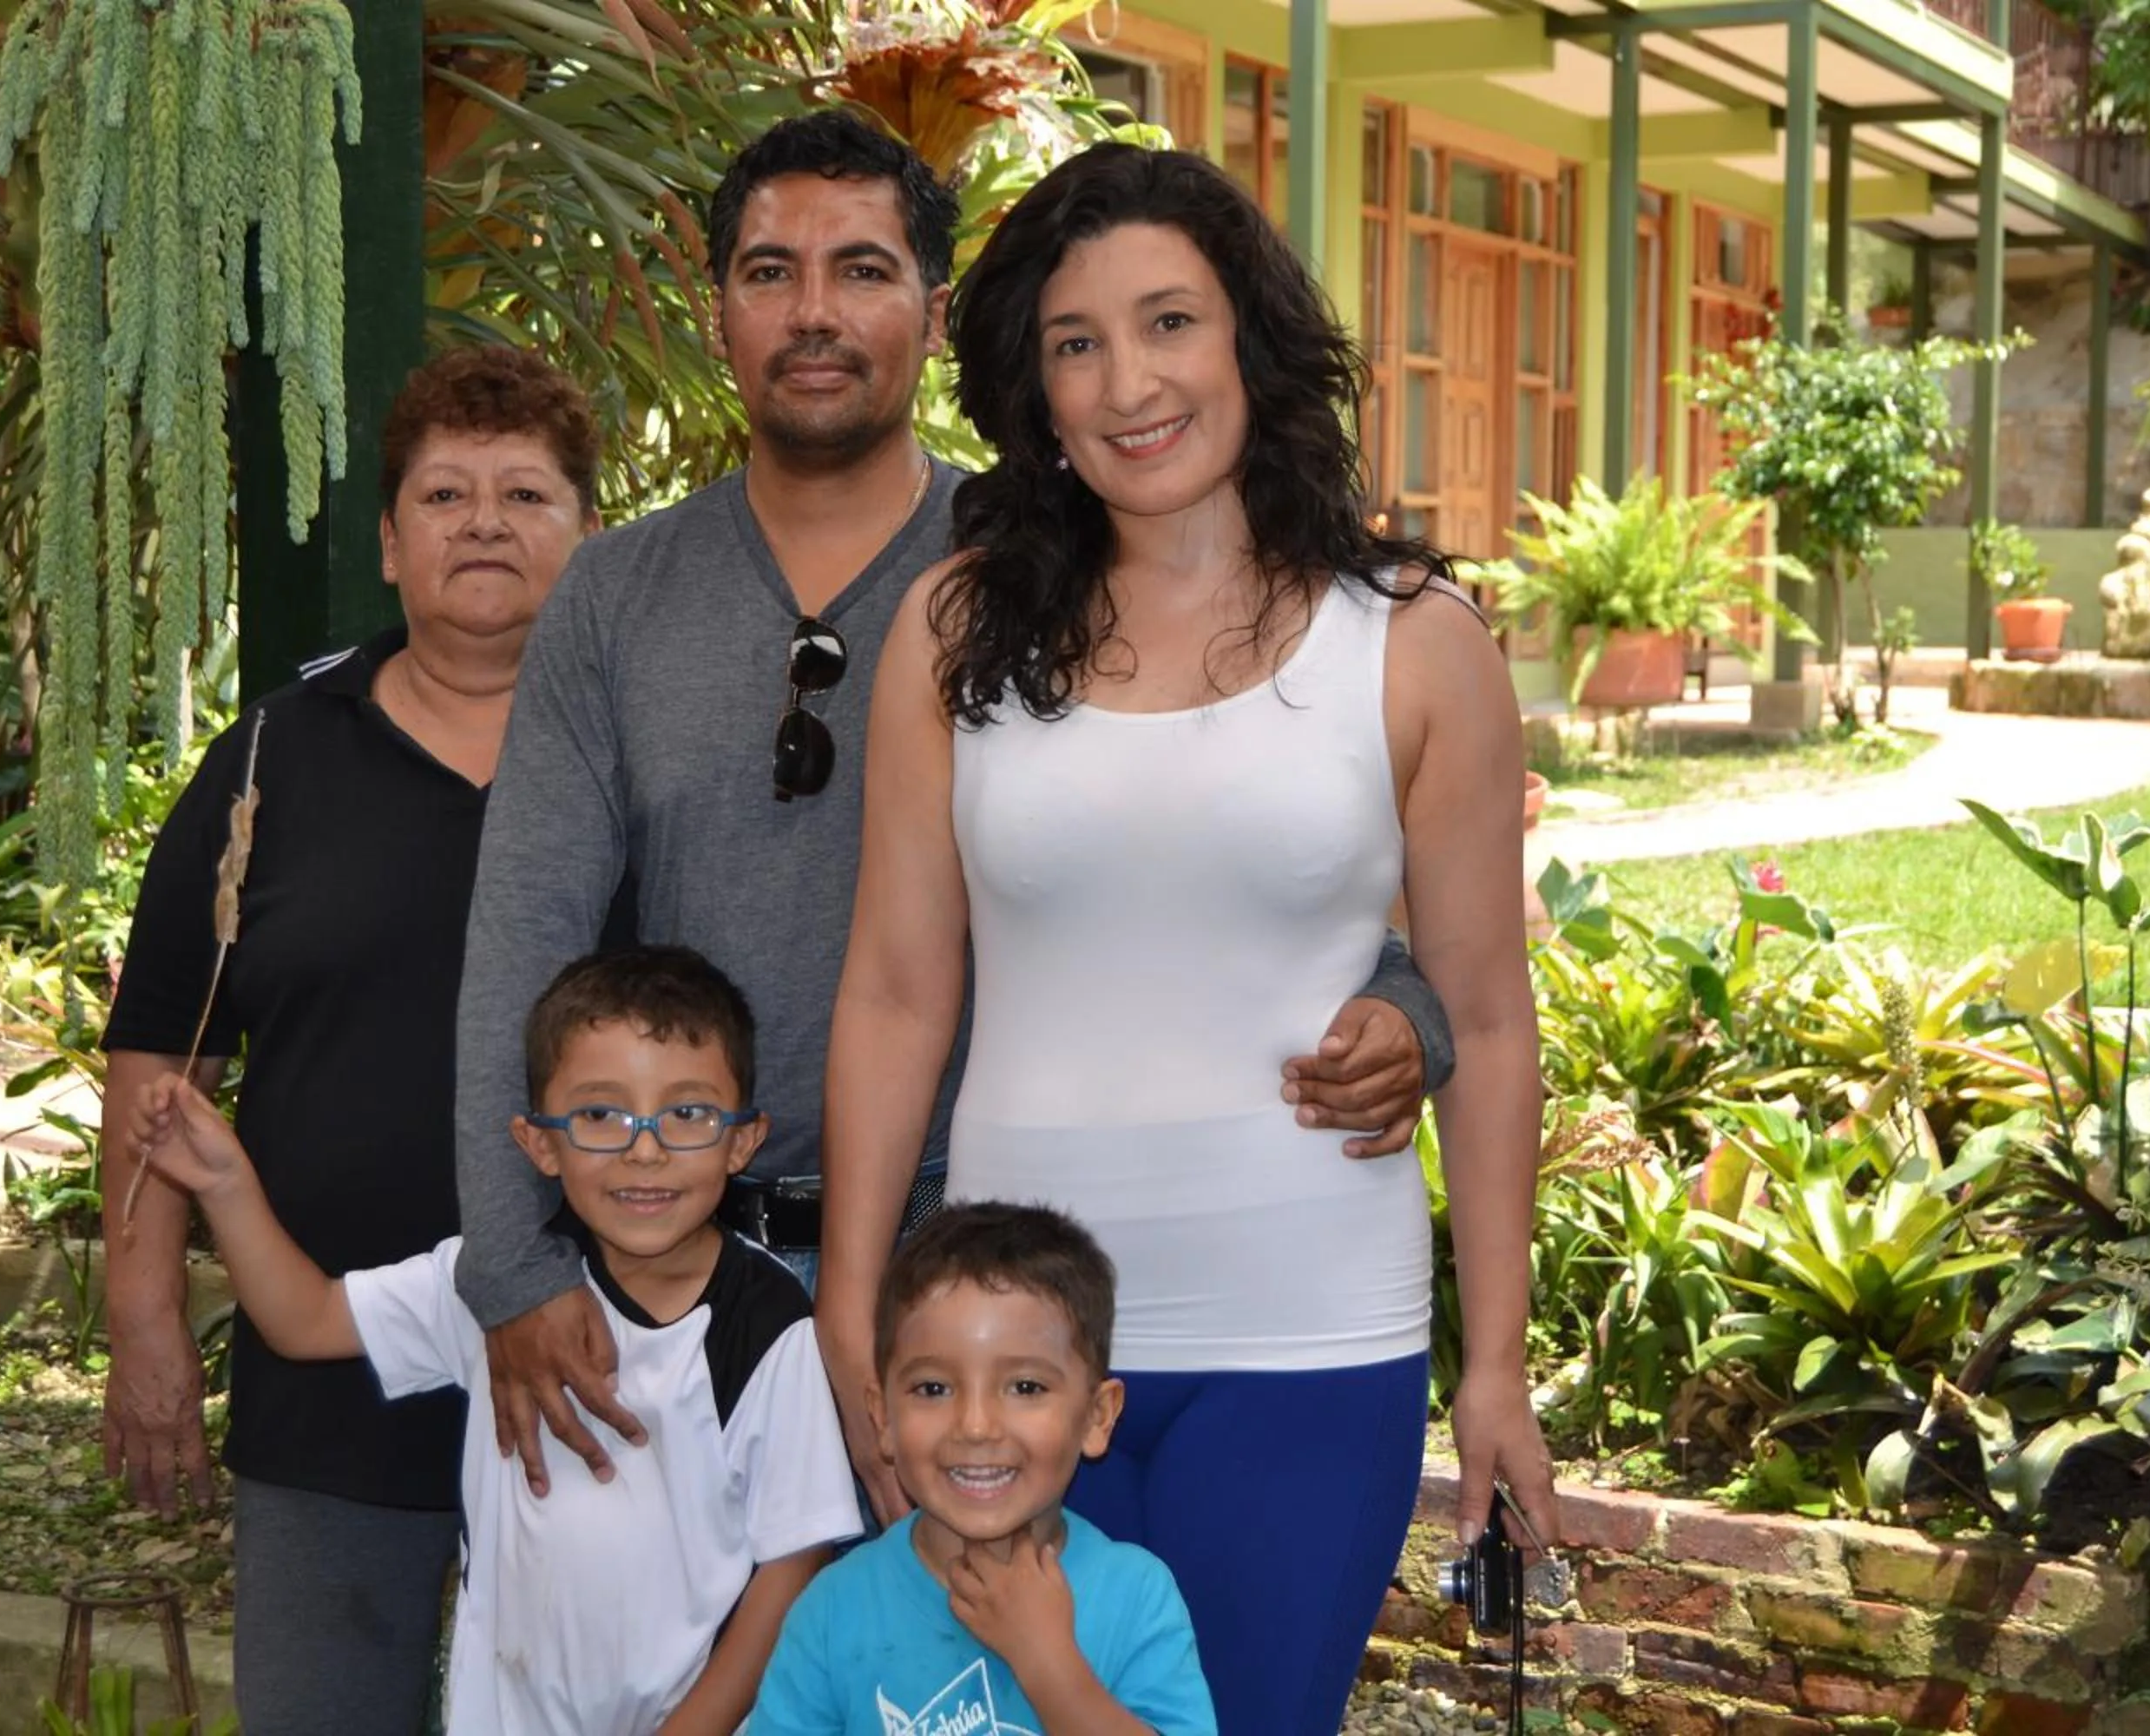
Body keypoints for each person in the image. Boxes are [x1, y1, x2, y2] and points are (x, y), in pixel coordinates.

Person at [452, 107, 1453, 1502]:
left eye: (862, 271)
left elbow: (1260, 834)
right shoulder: (614, 602)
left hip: (976, 1267)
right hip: (663, 1251)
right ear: (715, 311)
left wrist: (1412, 1008)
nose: (815, 313)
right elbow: (524, 937)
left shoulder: (1061, 553)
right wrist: (514, 1263)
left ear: (933, 317)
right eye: (768, 272)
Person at [819, 143, 1562, 1736]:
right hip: (997, 1347)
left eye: (1170, 323)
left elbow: (1490, 1022)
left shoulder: (1416, 642)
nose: (1128, 382)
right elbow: (893, 992)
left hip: (1305, 1335)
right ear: (1033, 386)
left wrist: (1492, 1368)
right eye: (1077, 343)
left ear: (1250, 342)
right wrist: (852, 1300)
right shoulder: (952, 635)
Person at [99, 346, 602, 1733]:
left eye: (525, 492)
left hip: (603, 1365)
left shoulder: (645, 754)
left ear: (591, 535)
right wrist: (143, 1317)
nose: (484, 522)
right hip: (327, 1361)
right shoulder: (274, 759)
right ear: (389, 543)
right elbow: (161, 1055)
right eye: (445, 494)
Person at [128, 945, 862, 1734]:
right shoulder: (495, 1289)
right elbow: (302, 1319)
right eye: (600, 1114)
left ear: (742, 1140)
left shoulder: (768, 1322)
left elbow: (793, 1562)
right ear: (538, 1141)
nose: (643, 1148)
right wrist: (223, 1183)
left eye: (687, 1113)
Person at [748, 1202, 1215, 1735]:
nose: (975, 1426)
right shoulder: (834, 1610)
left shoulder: (1137, 1595)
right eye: (933, 1389)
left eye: (1025, 1388)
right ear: (882, 1417)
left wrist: (1050, 1664)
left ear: (1096, 1415)